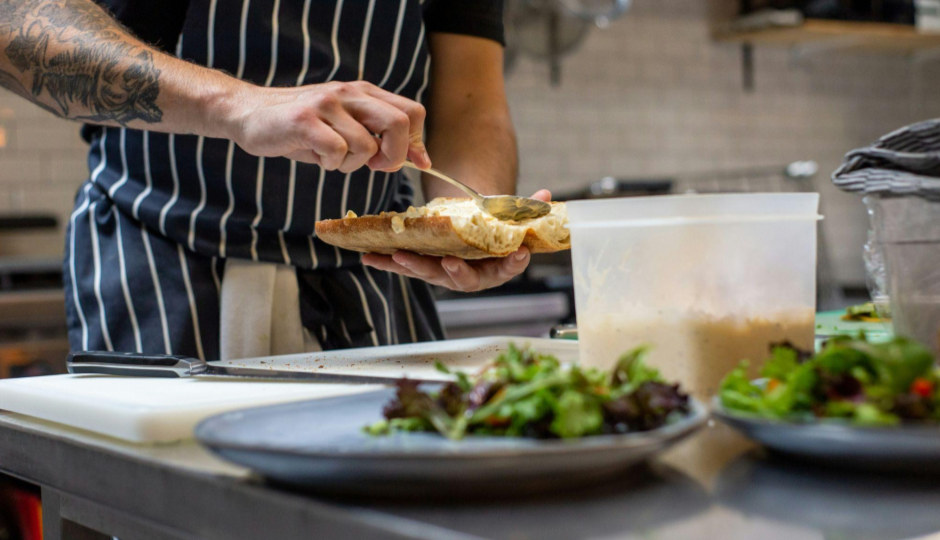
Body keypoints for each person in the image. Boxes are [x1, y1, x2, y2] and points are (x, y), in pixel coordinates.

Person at [0, 0, 550, 359]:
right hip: (161, 268)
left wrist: (468, 222)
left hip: (373, 285)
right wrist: (238, 105)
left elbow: (471, 103)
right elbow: (15, 27)